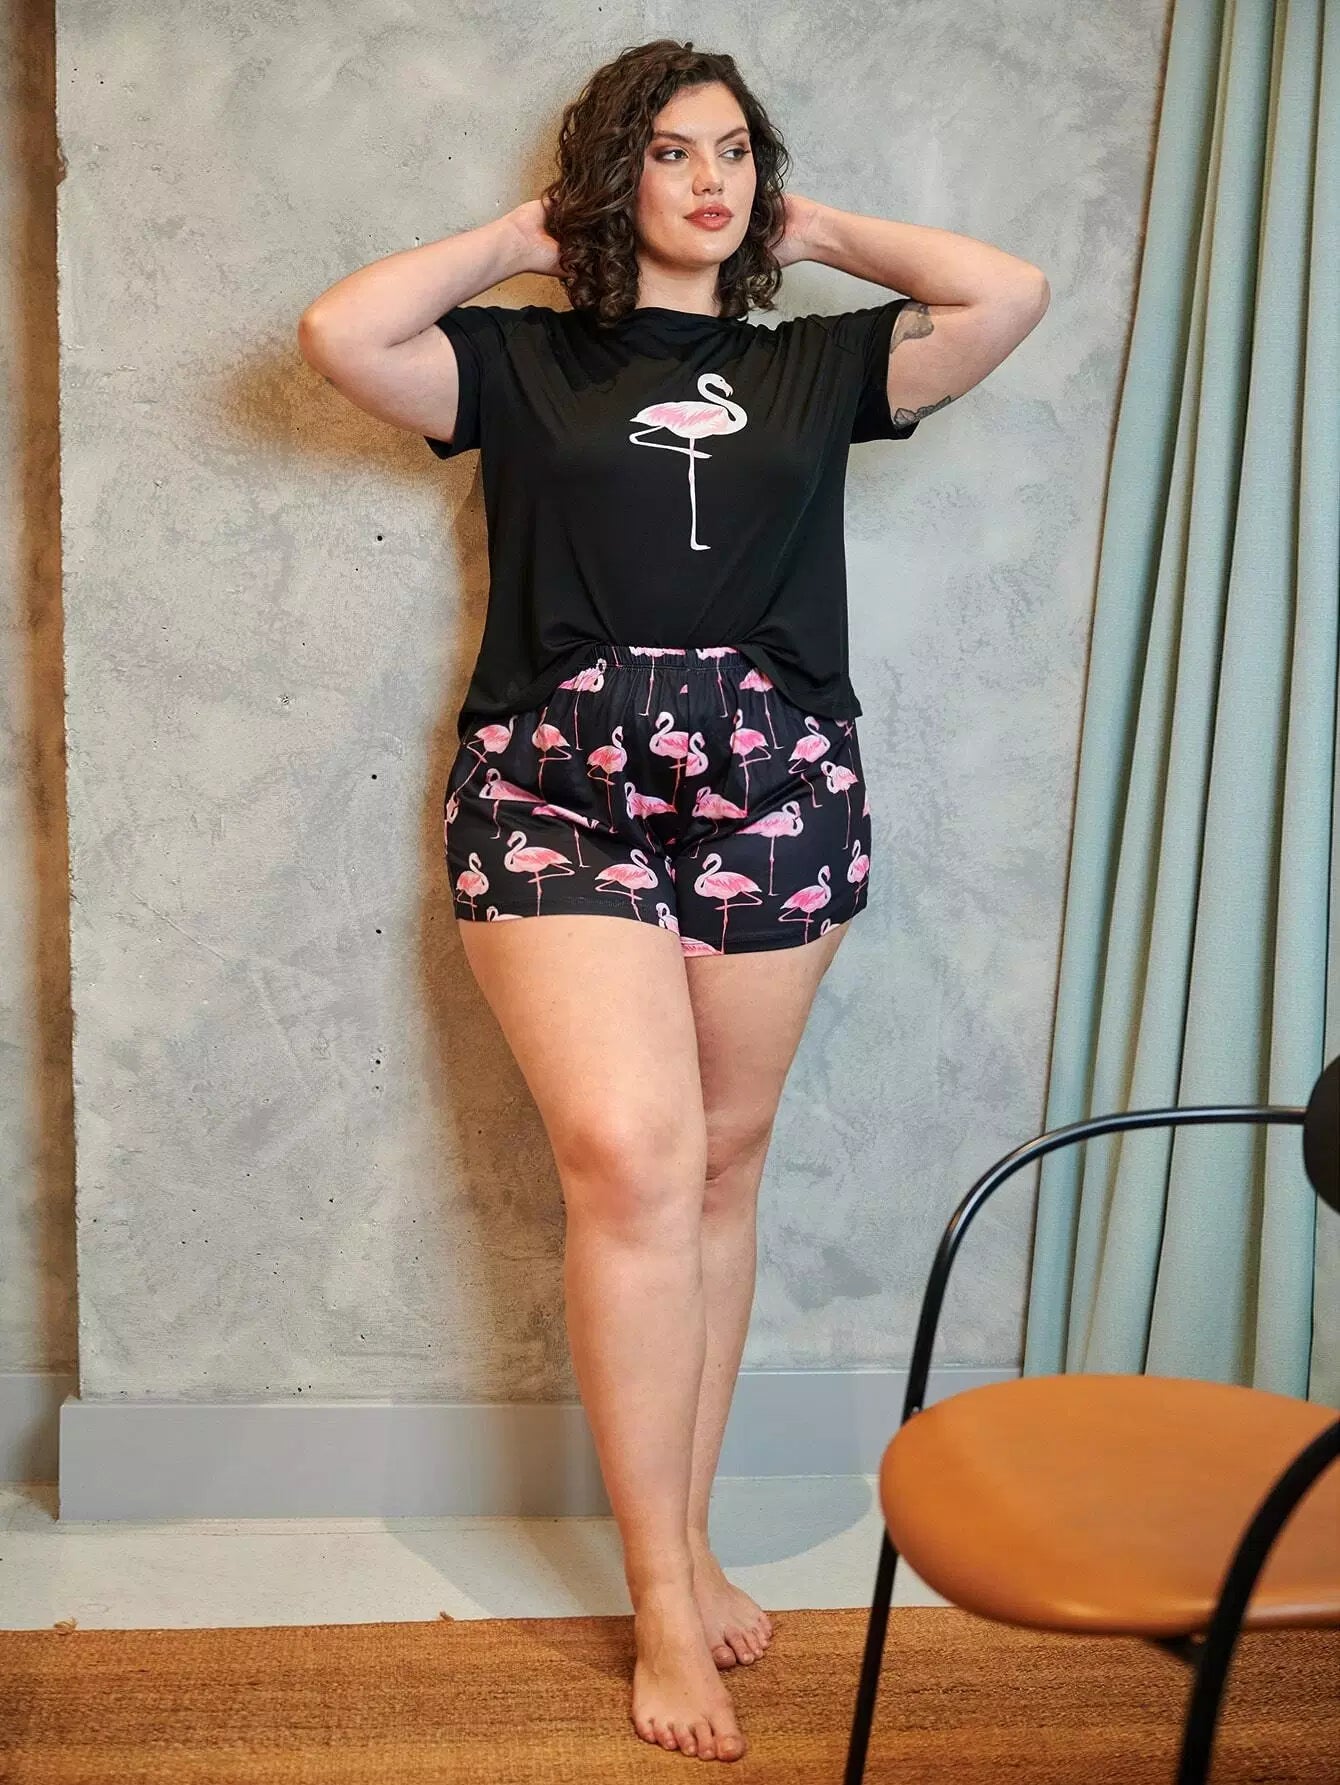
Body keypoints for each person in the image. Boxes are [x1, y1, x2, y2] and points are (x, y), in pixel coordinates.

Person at [298, 37, 1048, 1764]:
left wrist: (812, 228)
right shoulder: (520, 360)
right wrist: (518, 238)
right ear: (610, 175)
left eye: (732, 153)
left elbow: (1006, 293)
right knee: (631, 1155)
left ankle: (688, 1536)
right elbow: (343, 334)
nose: (707, 180)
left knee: (718, 1161)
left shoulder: (815, 366)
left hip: (777, 782)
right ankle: (656, 1593)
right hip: (553, 786)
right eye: (669, 152)